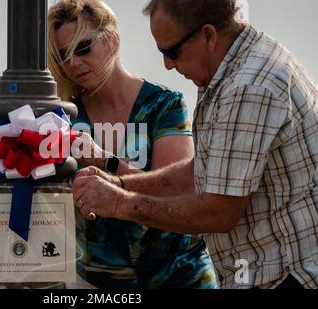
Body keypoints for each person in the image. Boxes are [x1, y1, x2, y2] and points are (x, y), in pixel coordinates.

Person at [73, 0, 318, 289]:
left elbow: (218, 210)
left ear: (208, 35)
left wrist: (117, 202)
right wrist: (121, 183)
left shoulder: (249, 87)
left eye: (172, 52)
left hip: (289, 278)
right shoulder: (226, 69)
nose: (167, 64)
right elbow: (200, 172)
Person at [48, 0, 217, 289]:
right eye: (64, 54)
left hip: (179, 277)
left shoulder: (163, 105)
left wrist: (104, 161)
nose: (74, 62)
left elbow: (179, 193)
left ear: (112, 40)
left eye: (83, 48)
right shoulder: (64, 119)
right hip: (98, 285)